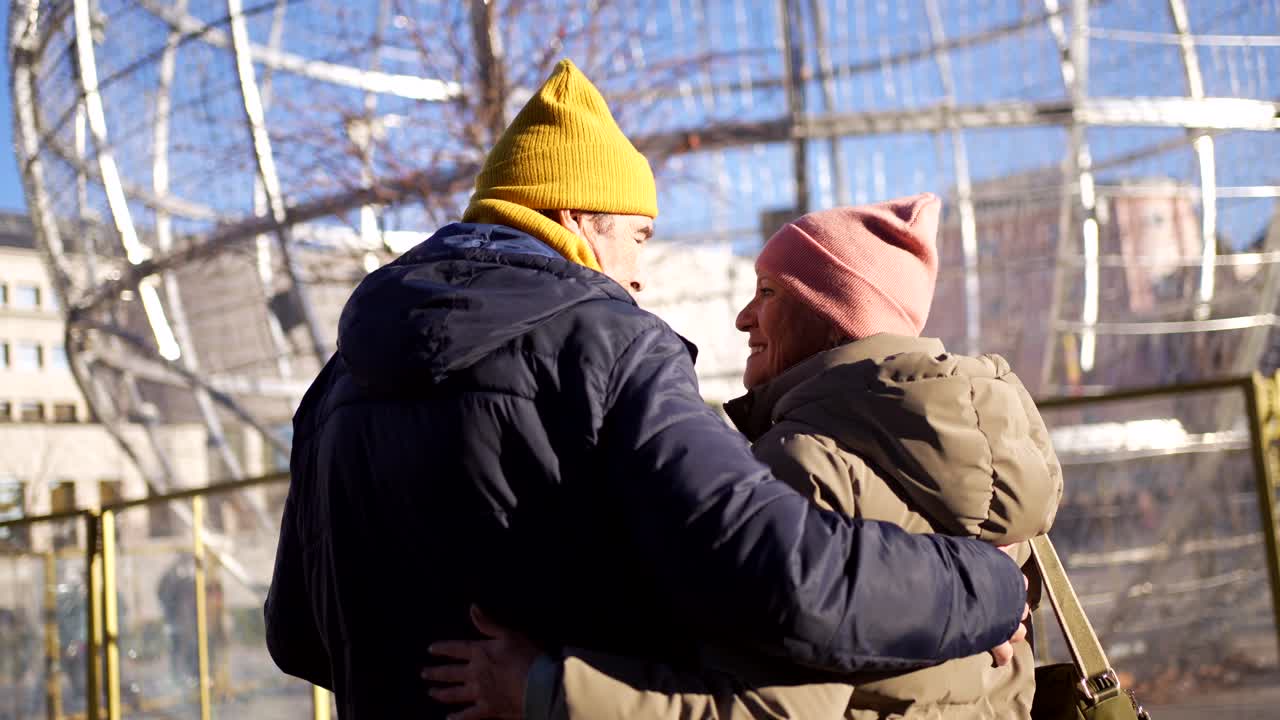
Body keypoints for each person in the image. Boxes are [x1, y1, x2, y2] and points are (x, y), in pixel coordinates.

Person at [265, 60, 1028, 719]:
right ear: (574, 217)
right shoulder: (607, 344)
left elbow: (295, 632)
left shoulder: (335, 385)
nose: (638, 274)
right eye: (637, 237)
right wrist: (987, 586)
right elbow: (782, 579)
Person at [427, 195, 1063, 719]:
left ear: (831, 313)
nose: (743, 317)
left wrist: (540, 688)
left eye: (768, 292)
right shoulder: (995, 465)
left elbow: (770, 710)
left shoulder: (805, 463)